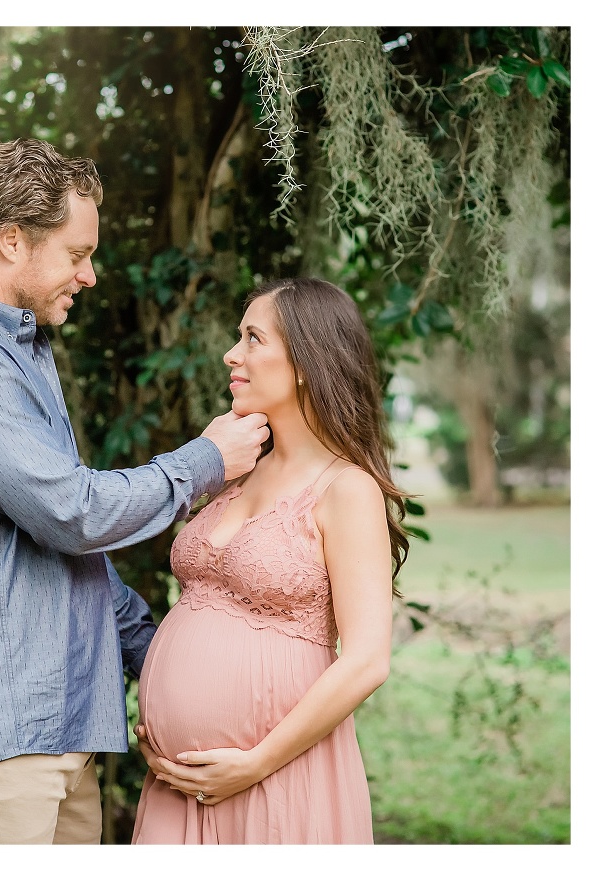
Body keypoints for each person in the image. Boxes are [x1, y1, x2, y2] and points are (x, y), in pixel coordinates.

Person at [0, 138, 270, 845]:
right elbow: (74, 512)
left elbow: (61, 553)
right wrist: (207, 459)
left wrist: (160, 656)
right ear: (9, 241)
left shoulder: (19, 353)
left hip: (56, 735)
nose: (89, 276)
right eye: (75, 254)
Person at [131, 277, 411, 844]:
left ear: (307, 362)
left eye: (253, 338)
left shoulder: (346, 490)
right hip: (177, 785)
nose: (232, 354)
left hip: (276, 777)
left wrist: (255, 762)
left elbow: (366, 661)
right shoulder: (236, 469)